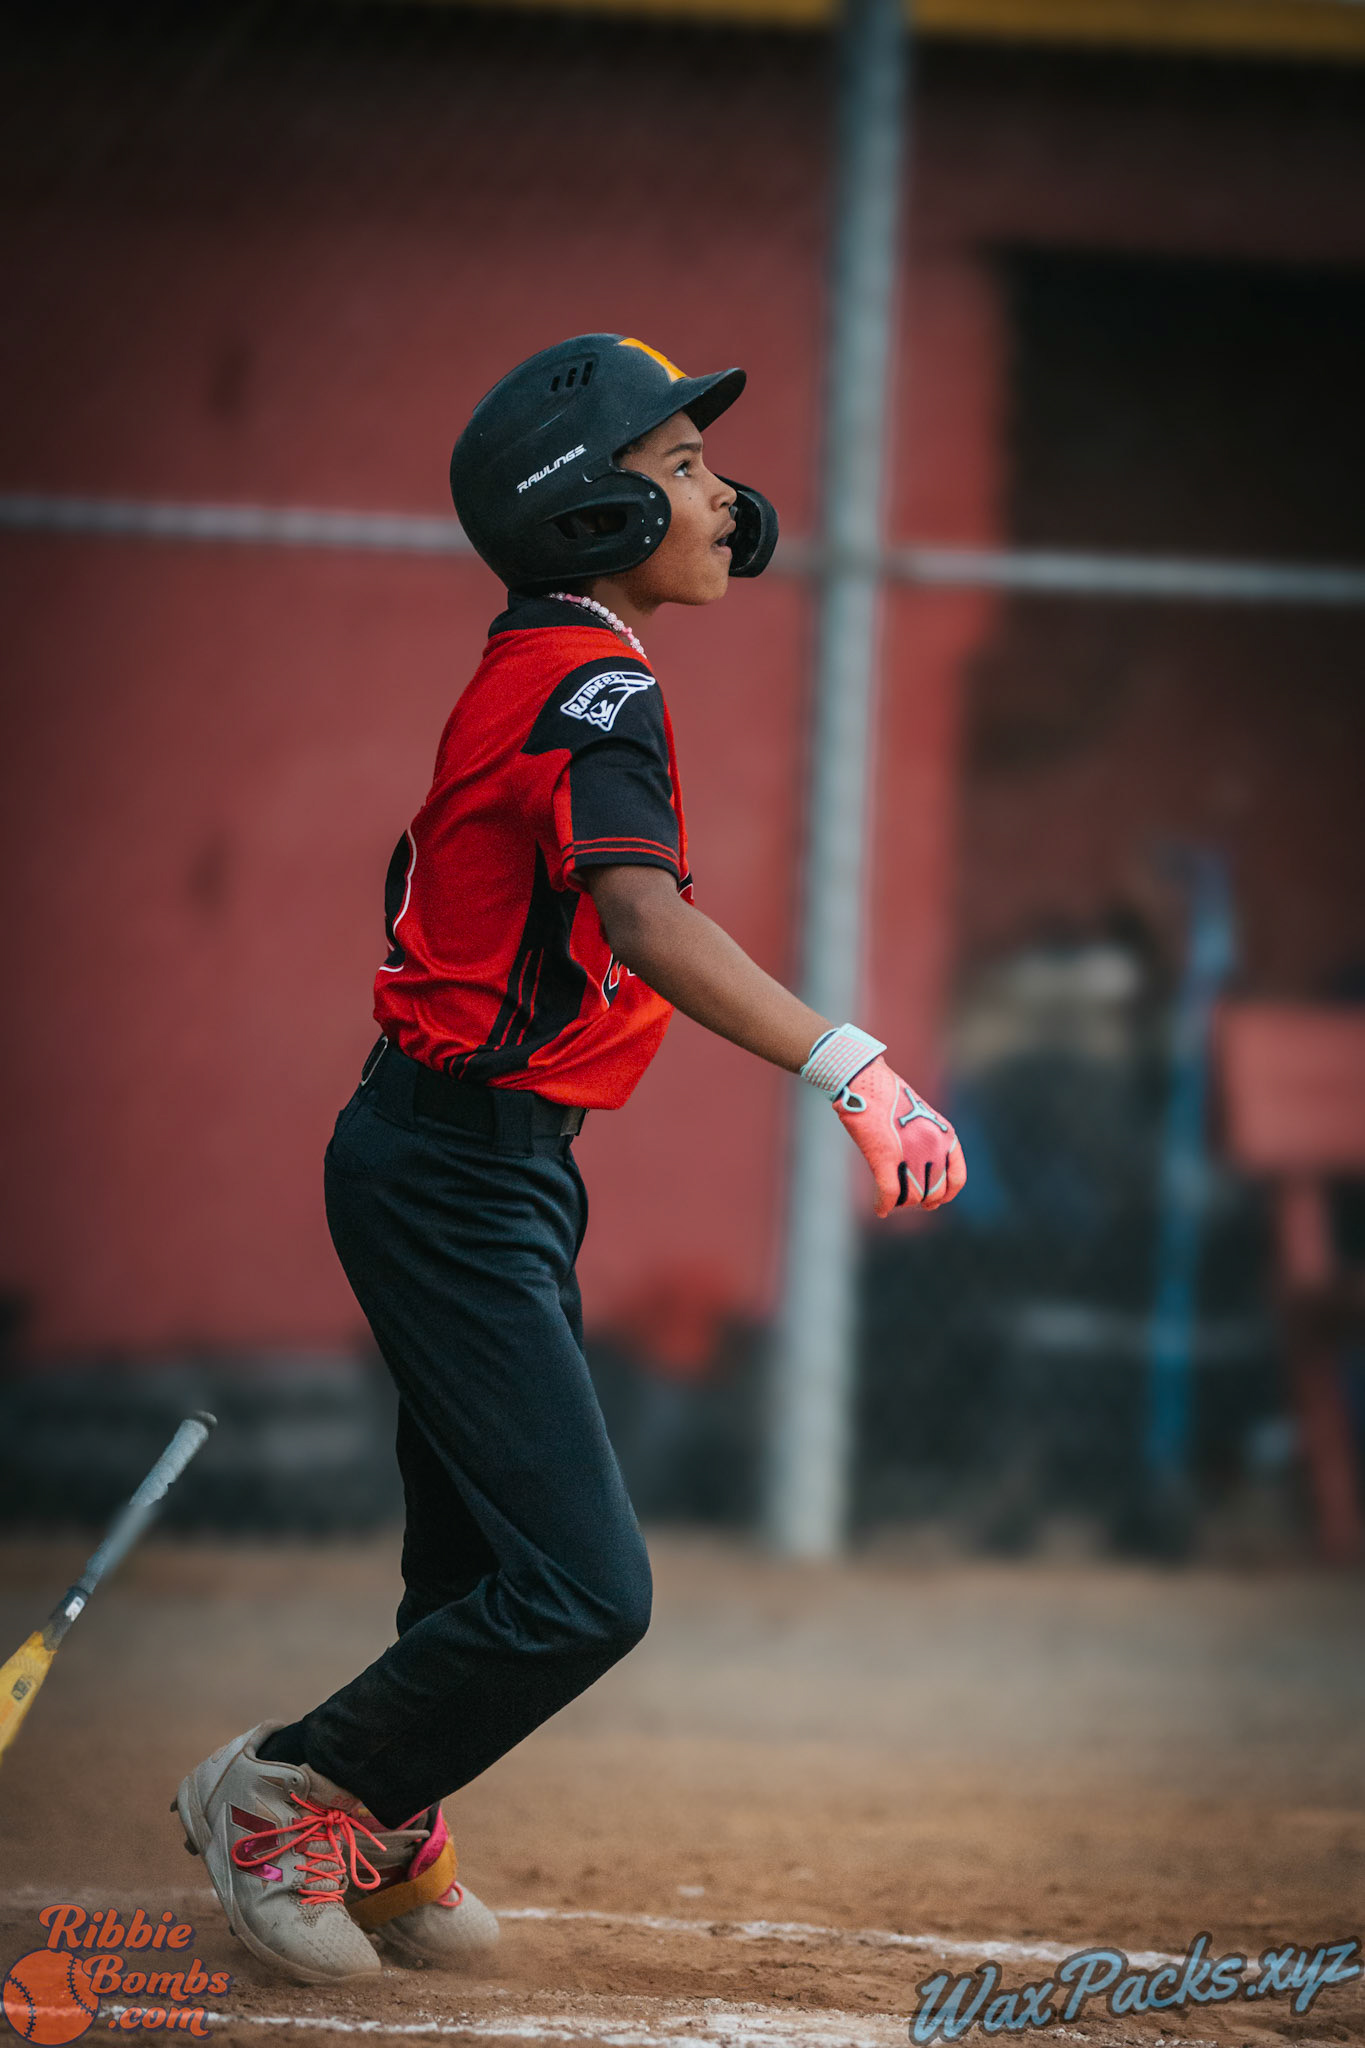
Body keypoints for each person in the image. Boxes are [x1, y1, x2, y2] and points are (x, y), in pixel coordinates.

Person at [173, 334, 965, 1985]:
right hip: (451, 1171)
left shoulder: (553, 667)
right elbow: (645, 917)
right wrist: (854, 1066)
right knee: (586, 1589)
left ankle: (384, 1830)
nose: (717, 494)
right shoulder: (592, 687)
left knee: (472, 1555)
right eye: (674, 467)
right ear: (585, 512)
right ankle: (286, 1793)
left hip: (486, 1166)